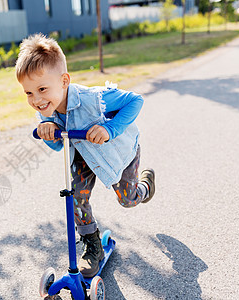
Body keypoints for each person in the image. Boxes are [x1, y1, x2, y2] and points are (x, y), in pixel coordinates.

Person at [15, 34, 155, 278]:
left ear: (64, 81)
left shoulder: (95, 99)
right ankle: (92, 245)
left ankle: (145, 186)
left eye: (41, 89)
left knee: (128, 200)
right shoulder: (45, 110)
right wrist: (49, 134)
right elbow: (60, 147)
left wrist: (109, 129)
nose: (36, 100)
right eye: (28, 93)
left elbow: (135, 100)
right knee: (76, 197)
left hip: (116, 154)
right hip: (82, 155)